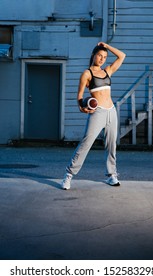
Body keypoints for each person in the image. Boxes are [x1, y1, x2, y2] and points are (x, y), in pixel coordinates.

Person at [61, 42, 126, 190]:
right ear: (93, 55)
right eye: (100, 55)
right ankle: (68, 175)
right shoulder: (87, 74)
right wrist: (81, 107)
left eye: (105, 57)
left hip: (111, 111)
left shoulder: (107, 71)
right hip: (98, 112)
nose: (102, 59)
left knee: (111, 145)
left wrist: (107, 46)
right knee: (86, 143)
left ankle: (111, 175)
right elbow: (79, 95)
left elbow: (122, 56)